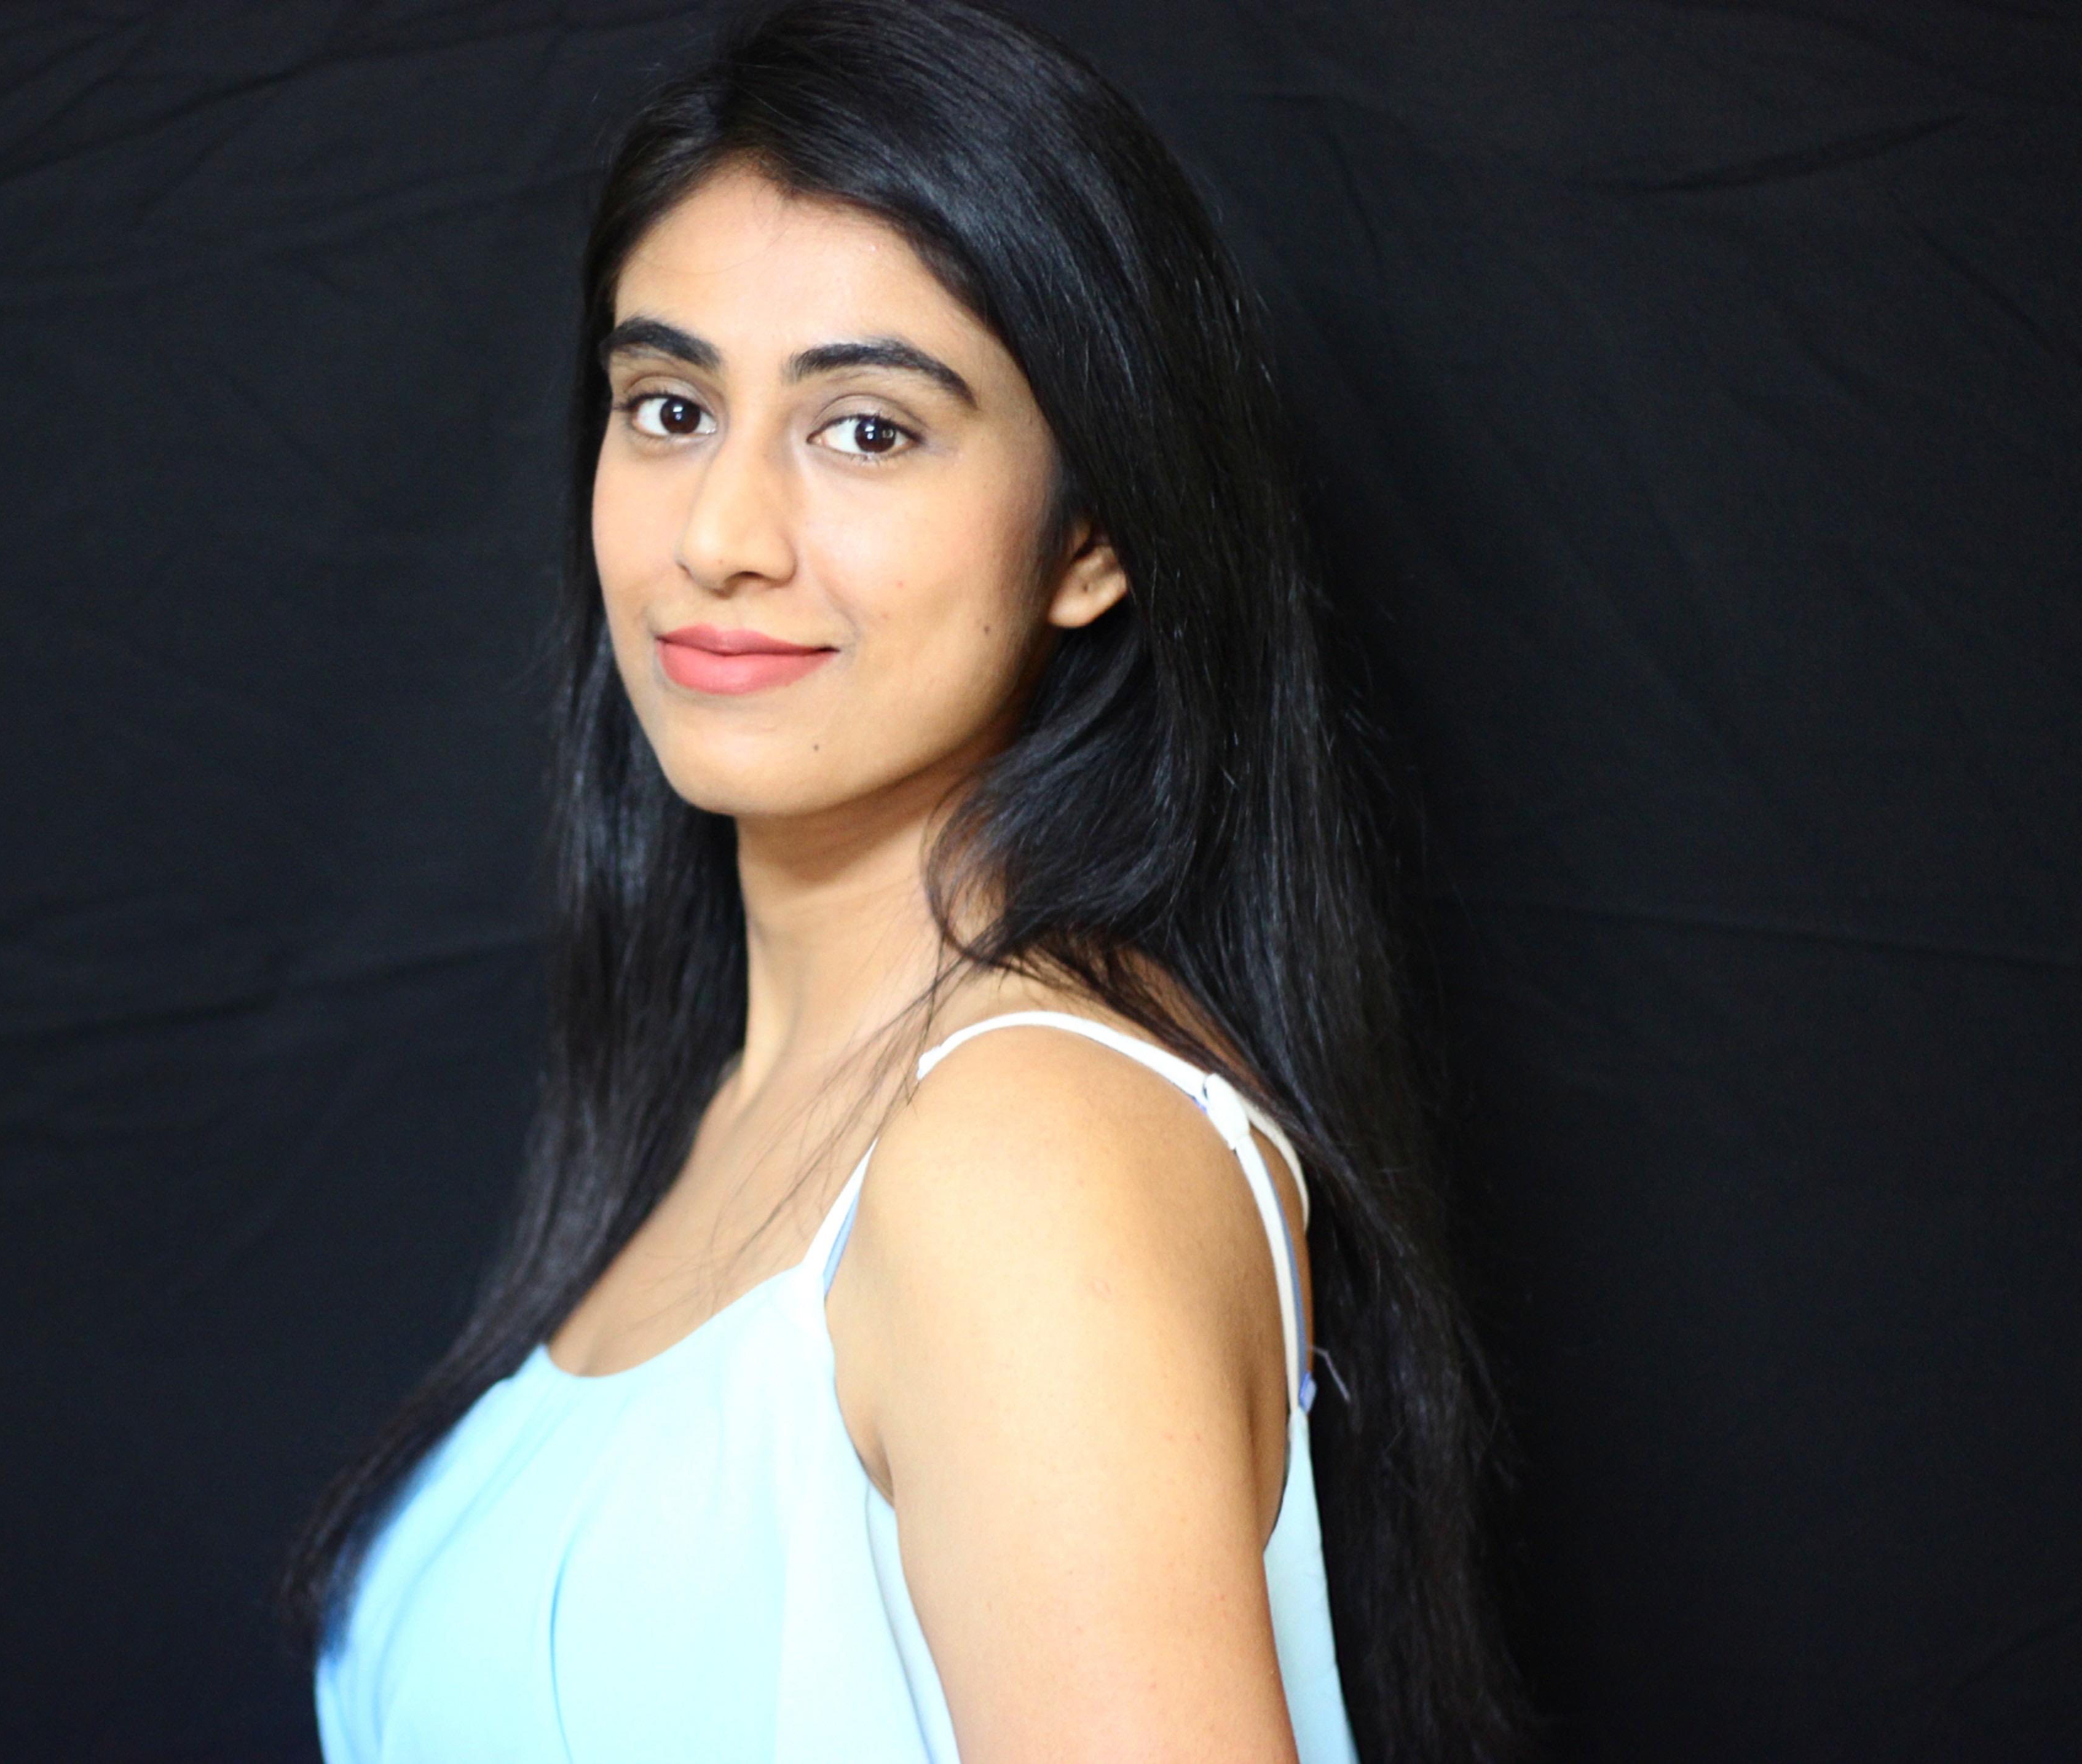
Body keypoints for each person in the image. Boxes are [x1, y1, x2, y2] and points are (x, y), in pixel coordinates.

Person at [288, 2, 1521, 1758]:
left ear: (1092, 536)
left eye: (866, 430)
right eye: (669, 406)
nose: (721, 535)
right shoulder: (742, 1102)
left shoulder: (1025, 1155)